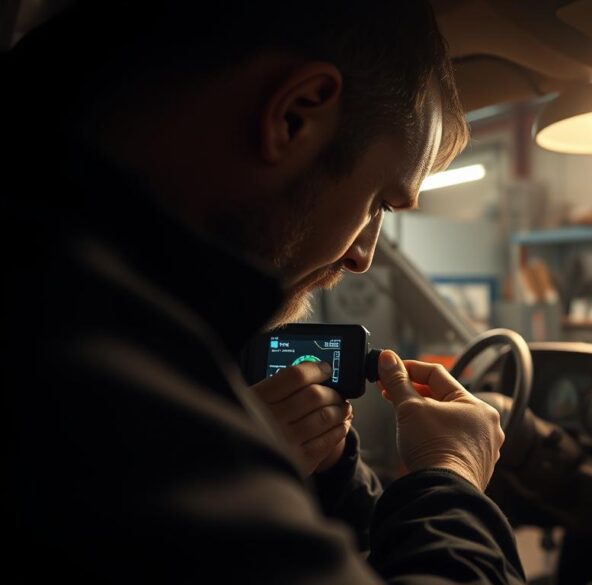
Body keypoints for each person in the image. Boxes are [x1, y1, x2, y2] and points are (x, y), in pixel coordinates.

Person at [2, 1, 524, 582]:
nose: (361, 256)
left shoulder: (73, 284)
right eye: (378, 202)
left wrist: (316, 470)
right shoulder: (92, 364)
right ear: (296, 116)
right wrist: (451, 474)